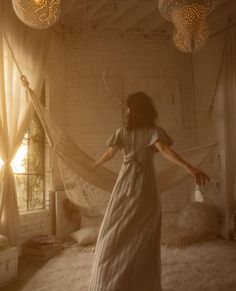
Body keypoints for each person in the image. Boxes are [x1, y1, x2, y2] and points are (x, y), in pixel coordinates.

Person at [88, 91, 210, 291]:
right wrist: (189, 167)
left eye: (128, 107)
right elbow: (165, 151)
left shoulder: (123, 132)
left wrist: (92, 165)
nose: (126, 110)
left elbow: (109, 154)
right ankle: (137, 281)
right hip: (144, 184)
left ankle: (116, 277)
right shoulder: (151, 131)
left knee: (117, 226)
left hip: (126, 182)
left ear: (132, 109)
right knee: (143, 231)